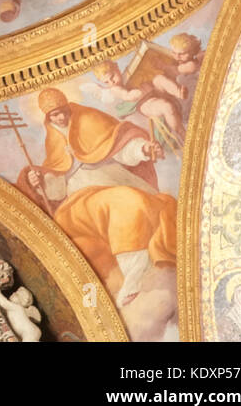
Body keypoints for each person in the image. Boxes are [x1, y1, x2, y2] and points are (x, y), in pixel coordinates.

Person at [18, 88, 176, 307]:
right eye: (54, 115)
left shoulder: (90, 120)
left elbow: (121, 146)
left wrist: (143, 148)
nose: (61, 118)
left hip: (115, 180)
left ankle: (153, 272)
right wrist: (39, 182)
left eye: (62, 111)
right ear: (48, 117)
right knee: (126, 202)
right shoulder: (53, 140)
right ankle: (134, 276)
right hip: (82, 197)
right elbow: (57, 188)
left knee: (163, 205)